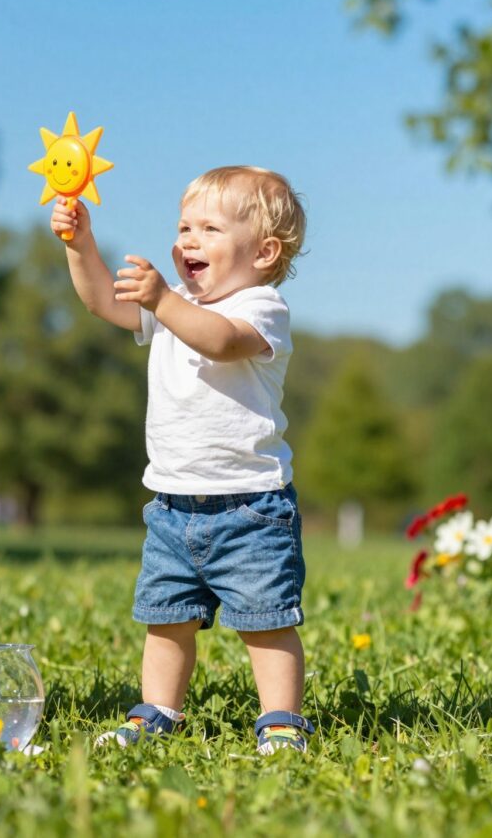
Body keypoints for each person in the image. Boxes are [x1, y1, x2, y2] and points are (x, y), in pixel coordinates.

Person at [50, 165, 312, 754]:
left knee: (266, 622)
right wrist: (80, 245)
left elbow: (218, 340)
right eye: (183, 226)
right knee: (165, 619)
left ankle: (280, 721)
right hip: (171, 507)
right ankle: (158, 712)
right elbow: (101, 302)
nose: (187, 240)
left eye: (209, 228)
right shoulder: (176, 307)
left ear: (265, 251)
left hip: (251, 508)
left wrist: (164, 297)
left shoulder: (261, 307)